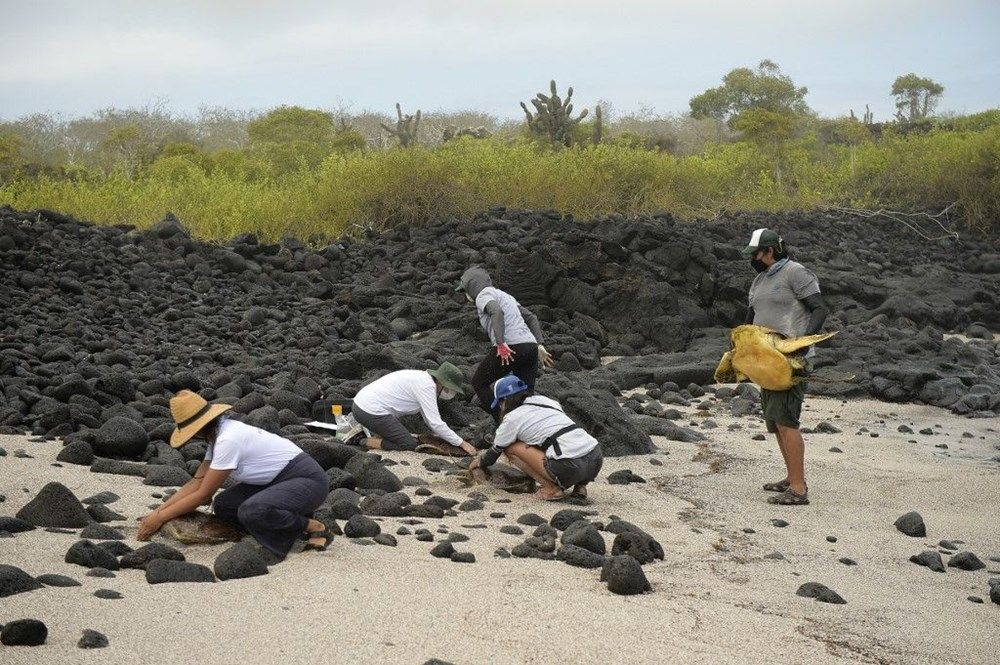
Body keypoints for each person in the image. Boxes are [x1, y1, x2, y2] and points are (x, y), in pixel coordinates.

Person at [137, 389, 332, 557]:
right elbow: (195, 483)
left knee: (252, 510)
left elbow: (203, 494)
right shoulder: (218, 436)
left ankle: (313, 526)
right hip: (276, 482)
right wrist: (158, 513)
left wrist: (160, 518)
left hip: (308, 481)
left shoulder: (227, 440)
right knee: (224, 505)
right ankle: (279, 521)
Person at [742, 228, 830, 506]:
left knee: (787, 421)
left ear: (769, 252)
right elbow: (751, 316)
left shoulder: (796, 273)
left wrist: (802, 344)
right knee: (776, 422)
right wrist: (742, 346)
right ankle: (792, 476)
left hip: (791, 360)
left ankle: (799, 488)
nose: (752, 259)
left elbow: (820, 309)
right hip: (766, 361)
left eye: (755, 253)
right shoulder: (759, 280)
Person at [469, 375, 603, 501]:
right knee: (555, 439)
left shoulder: (511, 418)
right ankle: (580, 487)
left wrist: (480, 462)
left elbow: (495, 452)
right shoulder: (547, 401)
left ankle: (551, 488)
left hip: (569, 466)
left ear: (503, 401)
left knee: (510, 447)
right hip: (595, 457)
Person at [456, 266, 554, 423]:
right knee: (525, 394)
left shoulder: (483, 295)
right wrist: (540, 344)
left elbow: (496, 312)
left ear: (472, 286)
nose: (466, 295)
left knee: (479, 382)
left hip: (511, 347)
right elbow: (531, 317)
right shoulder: (506, 296)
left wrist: (501, 343)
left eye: (465, 290)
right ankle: (528, 429)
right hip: (530, 347)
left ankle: (504, 423)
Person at [351, 362, 477, 455]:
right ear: (442, 382)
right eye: (449, 388)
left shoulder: (423, 379)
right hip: (369, 411)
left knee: (404, 436)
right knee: (408, 444)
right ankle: (364, 441)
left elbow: (429, 421)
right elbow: (435, 423)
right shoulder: (427, 387)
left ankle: (373, 435)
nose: (449, 392)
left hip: (363, 405)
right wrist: (462, 443)